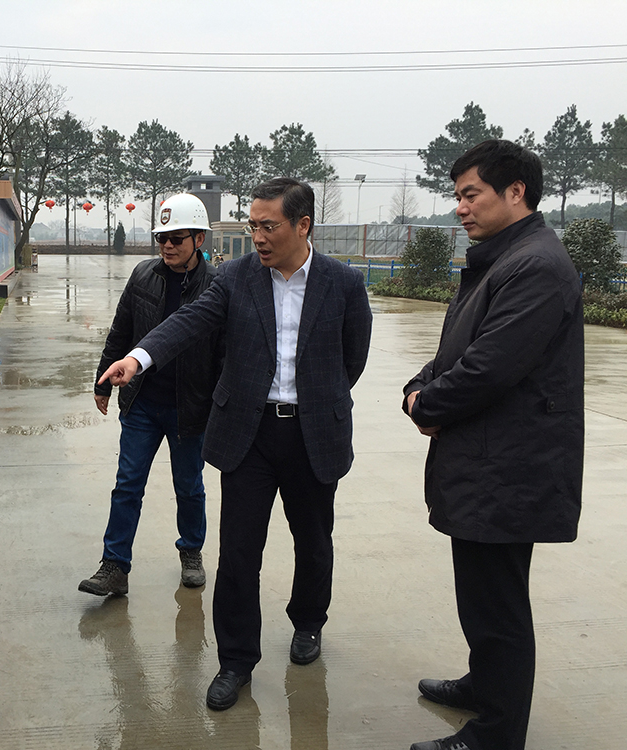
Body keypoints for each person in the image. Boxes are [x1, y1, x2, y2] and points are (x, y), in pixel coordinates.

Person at [99, 177, 372, 710]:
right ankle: (236, 661)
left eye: (269, 227)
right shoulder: (235, 278)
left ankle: (308, 623)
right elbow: (188, 321)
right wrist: (138, 358)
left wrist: (319, 399)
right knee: (240, 552)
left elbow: (352, 358)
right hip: (250, 432)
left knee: (314, 541)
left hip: (313, 432)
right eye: (253, 226)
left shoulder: (343, 283)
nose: (258, 237)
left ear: (303, 225)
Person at [403, 140, 584, 750]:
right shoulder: (503, 258)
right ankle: (485, 684)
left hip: (509, 467)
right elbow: (457, 349)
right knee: (481, 595)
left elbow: (488, 368)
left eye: (470, 194)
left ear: (515, 192)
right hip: (487, 460)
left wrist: (428, 405)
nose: (460, 207)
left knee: (498, 605)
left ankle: (498, 734)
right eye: (457, 196)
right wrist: (418, 388)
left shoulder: (536, 266)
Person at [80, 193, 224, 597]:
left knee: (189, 487)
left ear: (199, 239)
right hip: (142, 401)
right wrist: (102, 382)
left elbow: (223, 352)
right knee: (127, 484)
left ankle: (191, 552)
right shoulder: (143, 275)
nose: (168, 246)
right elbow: (120, 331)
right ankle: (115, 566)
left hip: (189, 407)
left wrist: (219, 403)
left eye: (177, 238)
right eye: (162, 238)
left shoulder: (216, 286)